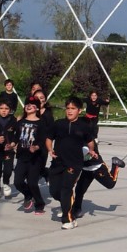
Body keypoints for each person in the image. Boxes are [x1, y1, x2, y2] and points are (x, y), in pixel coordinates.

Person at [46, 96, 96, 229]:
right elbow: (49, 138)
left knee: (66, 189)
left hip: (74, 164)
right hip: (57, 162)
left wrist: (91, 151)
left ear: (79, 110)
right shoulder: (58, 124)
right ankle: (66, 204)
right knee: (54, 191)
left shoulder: (84, 126)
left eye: (73, 108)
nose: (69, 111)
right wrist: (50, 150)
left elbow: (90, 141)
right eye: (68, 108)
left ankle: (68, 219)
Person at [72, 142, 126, 219]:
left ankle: (115, 164)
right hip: (86, 169)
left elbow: (80, 158)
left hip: (97, 167)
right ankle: (77, 209)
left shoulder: (84, 144)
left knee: (110, 184)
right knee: (79, 190)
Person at [14, 97, 47, 215]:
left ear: (37, 108)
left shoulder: (41, 123)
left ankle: (40, 205)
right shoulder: (21, 122)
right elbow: (16, 137)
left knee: (32, 183)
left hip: (35, 158)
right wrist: (11, 144)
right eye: (27, 104)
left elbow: (43, 140)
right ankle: (28, 195)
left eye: (32, 104)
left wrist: (36, 147)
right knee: (18, 182)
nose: (28, 106)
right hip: (22, 156)